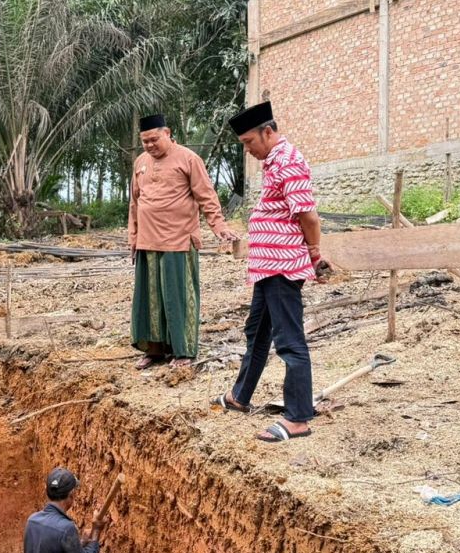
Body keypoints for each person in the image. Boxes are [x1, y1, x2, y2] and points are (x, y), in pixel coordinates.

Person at [211, 101, 321, 442]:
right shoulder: (273, 162)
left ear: (268, 132)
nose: (248, 150)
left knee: (289, 341)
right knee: (256, 332)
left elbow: (308, 215)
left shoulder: (289, 161)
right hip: (265, 267)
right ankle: (239, 396)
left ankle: (298, 418)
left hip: (283, 266)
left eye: (249, 143)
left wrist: (314, 250)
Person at [128, 114, 238, 369]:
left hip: (178, 239)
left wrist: (218, 225)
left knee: (177, 297)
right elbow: (134, 203)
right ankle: (154, 351)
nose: (150, 145)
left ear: (167, 132)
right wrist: (133, 237)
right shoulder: (141, 162)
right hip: (147, 240)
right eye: (145, 141)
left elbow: (206, 195)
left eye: (154, 139)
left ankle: (183, 352)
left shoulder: (188, 159)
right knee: (149, 300)